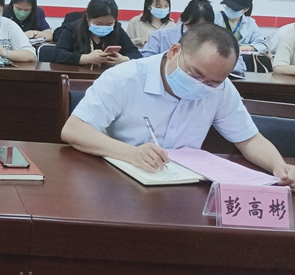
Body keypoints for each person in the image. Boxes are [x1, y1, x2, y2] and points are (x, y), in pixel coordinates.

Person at [61, 24, 295, 185]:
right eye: (195, 74)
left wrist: (279, 167)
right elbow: (74, 130)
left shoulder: (222, 90)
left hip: (184, 185)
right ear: (174, 51)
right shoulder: (125, 78)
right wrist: (131, 153)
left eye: (213, 82)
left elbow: (248, 138)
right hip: (118, 179)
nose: (202, 85)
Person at [143, 0, 246, 75]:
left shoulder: (222, 40)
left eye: (201, 28)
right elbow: (145, 62)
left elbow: (240, 66)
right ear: (183, 20)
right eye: (191, 26)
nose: (195, 31)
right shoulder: (160, 36)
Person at [51, 0, 141, 66]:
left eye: (109, 24)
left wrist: (124, 59)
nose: (104, 27)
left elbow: (136, 54)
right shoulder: (73, 29)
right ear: (88, 17)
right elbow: (57, 54)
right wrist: (86, 58)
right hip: (77, 76)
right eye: (99, 23)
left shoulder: (117, 29)